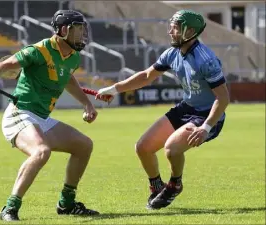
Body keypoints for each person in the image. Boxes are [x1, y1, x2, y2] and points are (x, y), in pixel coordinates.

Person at [96, 10, 230, 210]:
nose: (170, 31)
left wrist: (206, 127)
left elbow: (223, 98)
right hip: (186, 107)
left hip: (207, 115)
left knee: (171, 148)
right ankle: (157, 186)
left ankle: (175, 184)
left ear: (190, 31)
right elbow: (146, 76)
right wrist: (114, 89)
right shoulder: (172, 53)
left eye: (175, 27)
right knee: (143, 147)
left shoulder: (206, 60)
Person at [0, 10, 100, 221]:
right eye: (79, 29)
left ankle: (67, 204)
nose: (83, 34)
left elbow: (68, 79)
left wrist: (86, 104)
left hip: (41, 118)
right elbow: (3, 65)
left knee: (84, 145)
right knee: (41, 151)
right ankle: (10, 208)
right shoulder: (40, 50)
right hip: (19, 114)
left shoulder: (73, 57)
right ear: (64, 30)